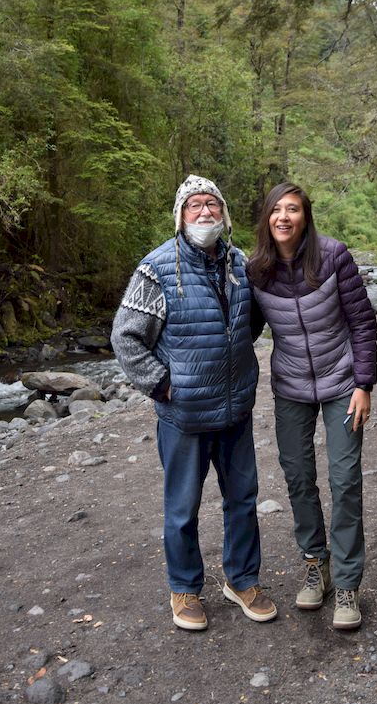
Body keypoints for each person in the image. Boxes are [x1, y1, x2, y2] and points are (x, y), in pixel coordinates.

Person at [111, 174, 277, 632]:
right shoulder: (156, 268)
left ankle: (242, 580)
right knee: (182, 508)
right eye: (194, 206)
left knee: (242, 499)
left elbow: (253, 322)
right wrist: (163, 384)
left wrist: (235, 365)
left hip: (235, 408)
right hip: (183, 414)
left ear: (223, 213)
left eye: (212, 204)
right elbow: (125, 338)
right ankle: (184, 589)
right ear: (181, 216)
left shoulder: (241, 264)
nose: (205, 212)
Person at [247, 182, 377, 630]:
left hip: (343, 383)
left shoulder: (333, 256)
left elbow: (362, 321)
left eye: (293, 209)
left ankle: (346, 585)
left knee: (345, 480)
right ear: (267, 218)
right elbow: (241, 328)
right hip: (291, 388)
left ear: (306, 216)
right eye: (276, 210)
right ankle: (315, 564)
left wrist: (364, 383)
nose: (284, 217)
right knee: (299, 477)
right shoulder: (256, 271)